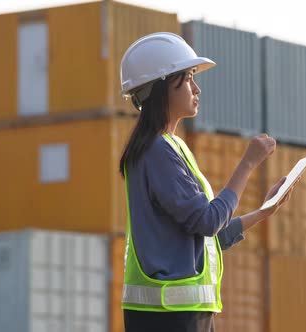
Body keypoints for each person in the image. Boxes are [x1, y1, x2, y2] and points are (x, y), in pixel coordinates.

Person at [117, 32, 292, 332]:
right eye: (187, 78)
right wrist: (248, 163)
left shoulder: (172, 148)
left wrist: (264, 211)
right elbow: (209, 221)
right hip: (170, 318)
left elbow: (209, 239)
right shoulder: (157, 151)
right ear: (161, 88)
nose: (197, 88)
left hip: (181, 315)